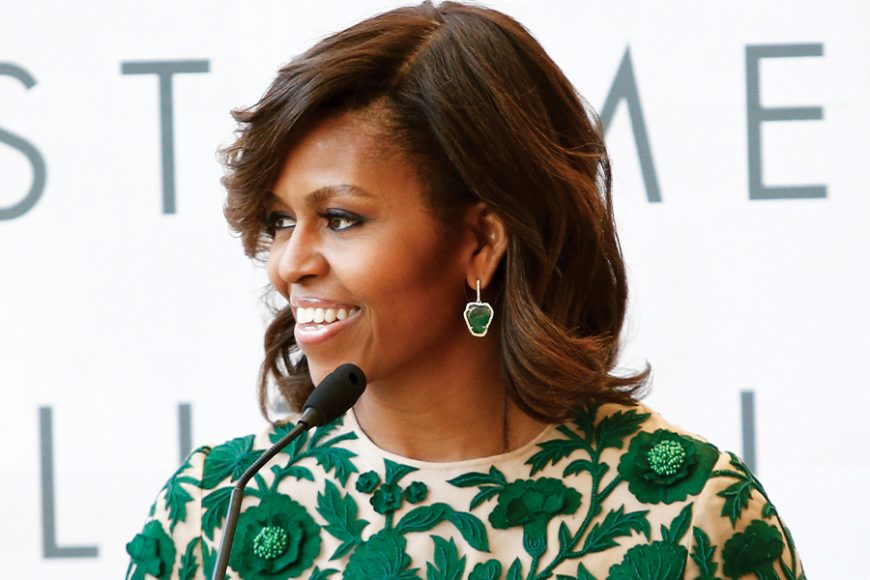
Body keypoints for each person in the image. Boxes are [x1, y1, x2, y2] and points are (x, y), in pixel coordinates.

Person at [125, 2, 804, 578]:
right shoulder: (213, 512)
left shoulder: (691, 515)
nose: (288, 264)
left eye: (339, 219)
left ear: (481, 240)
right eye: (279, 221)